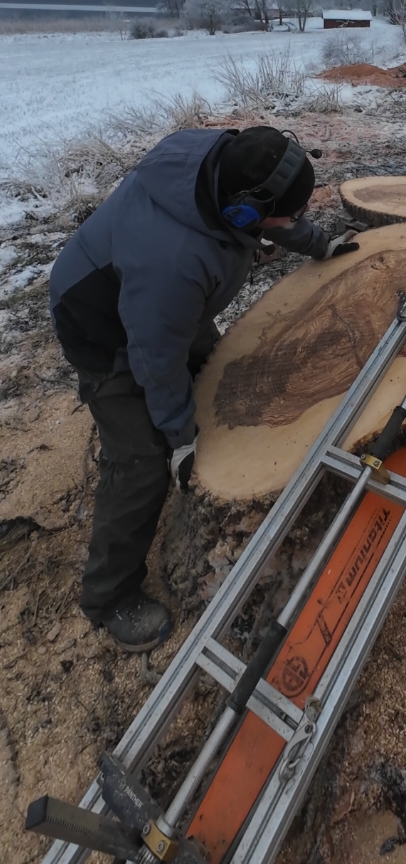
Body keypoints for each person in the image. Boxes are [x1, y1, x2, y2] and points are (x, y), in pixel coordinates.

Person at [49, 125, 359, 650]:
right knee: (143, 458)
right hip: (102, 328)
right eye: (288, 217)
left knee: (213, 369)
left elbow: (273, 214)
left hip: (156, 304)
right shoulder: (172, 262)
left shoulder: (224, 172)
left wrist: (318, 243)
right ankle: (108, 595)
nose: (290, 224)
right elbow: (154, 357)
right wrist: (177, 436)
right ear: (242, 214)